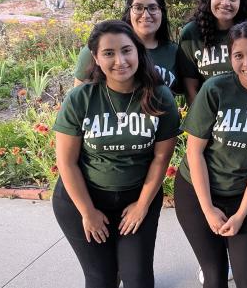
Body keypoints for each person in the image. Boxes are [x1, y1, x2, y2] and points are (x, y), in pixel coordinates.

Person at [52, 20, 180, 287]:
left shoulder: (160, 96)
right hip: (83, 199)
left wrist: (142, 205)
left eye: (126, 50)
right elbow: (66, 162)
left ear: (138, 52)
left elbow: (161, 158)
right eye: (108, 53)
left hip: (137, 198)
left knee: (138, 279)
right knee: (101, 279)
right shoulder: (81, 98)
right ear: (96, 58)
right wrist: (87, 211)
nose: (119, 60)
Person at [174, 21, 247, 288]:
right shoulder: (216, 89)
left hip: (241, 194)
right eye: (238, 55)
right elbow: (195, 153)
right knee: (215, 276)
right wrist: (208, 210)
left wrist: (240, 214)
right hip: (196, 192)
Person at [74, 0, 178, 90]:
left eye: (153, 8)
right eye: (138, 8)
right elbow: (78, 100)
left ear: (162, 12)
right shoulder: (99, 49)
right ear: (129, 12)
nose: (146, 15)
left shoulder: (175, 52)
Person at [177, 0, 247, 105]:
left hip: (246, 109)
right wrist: (199, 119)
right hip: (207, 111)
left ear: (241, 3)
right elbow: (190, 87)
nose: (226, 3)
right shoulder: (191, 34)